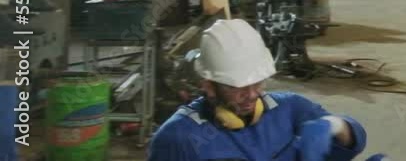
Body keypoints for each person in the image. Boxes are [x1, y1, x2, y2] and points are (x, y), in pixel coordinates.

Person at [148, 18, 384, 161]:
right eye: (238, 87)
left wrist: (335, 126)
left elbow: (354, 140)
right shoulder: (180, 139)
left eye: (257, 82)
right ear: (209, 86)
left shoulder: (289, 108)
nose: (252, 95)